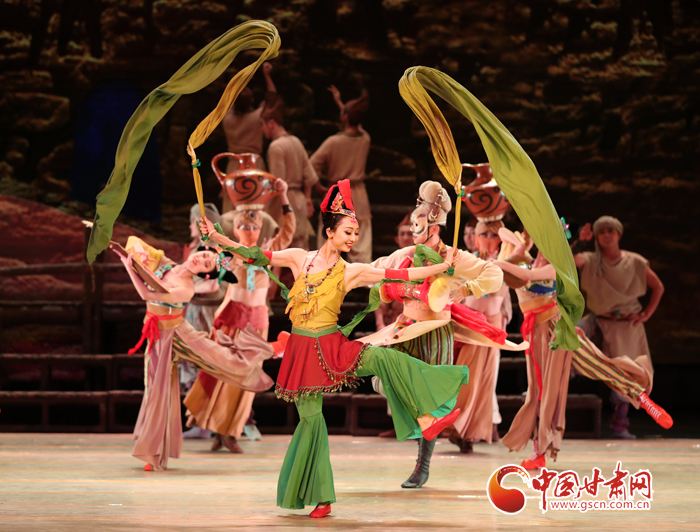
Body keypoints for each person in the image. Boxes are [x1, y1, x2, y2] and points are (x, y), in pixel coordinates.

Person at [199, 179, 468, 518]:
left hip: (332, 347)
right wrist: (218, 237)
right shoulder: (300, 258)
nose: (353, 238)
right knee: (311, 421)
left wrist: (442, 267)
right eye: (348, 232)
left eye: (356, 233)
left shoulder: (351, 270)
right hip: (302, 352)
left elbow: (399, 274)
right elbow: (256, 255)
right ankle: (320, 498)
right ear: (330, 231)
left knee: (384, 357)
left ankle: (427, 416)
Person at [363, 181, 507, 489]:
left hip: (436, 332)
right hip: (405, 329)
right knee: (381, 377)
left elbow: (494, 274)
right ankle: (424, 421)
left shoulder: (453, 258)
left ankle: (422, 464)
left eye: (419, 225)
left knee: (429, 397)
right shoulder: (405, 254)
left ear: (435, 227)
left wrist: (466, 288)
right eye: (413, 225)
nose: (414, 231)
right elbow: (373, 271)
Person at [498, 234, 671, 470]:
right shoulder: (524, 261)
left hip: (557, 329)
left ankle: (641, 396)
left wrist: (498, 262)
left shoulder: (554, 267)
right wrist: (521, 241)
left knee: (595, 363)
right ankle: (539, 453)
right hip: (535, 335)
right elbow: (505, 238)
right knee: (538, 394)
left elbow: (526, 276)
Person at [115, 237, 274, 471]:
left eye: (207, 264)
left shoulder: (186, 289)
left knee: (224, 360)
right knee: (154, 391)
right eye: (204, 255)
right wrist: (124, 253)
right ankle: (154, 451)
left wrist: (129, 268)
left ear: (205, 274)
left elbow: (148, 295)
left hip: (176, 335)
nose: (201, 259)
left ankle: (269, 350)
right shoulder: (169, 265)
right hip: (157, 335)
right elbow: (143, 251)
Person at [184, 179, 295, 453]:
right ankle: (217, 429)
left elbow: (289, 230)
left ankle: (230, 430)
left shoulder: (268, 251)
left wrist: (283, 196)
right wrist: (208, 235)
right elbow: (211, 256)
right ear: (235, 229)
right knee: (220, 373)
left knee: (246, 379)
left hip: (256, 322)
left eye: (254, 226)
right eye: (244, 227)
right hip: (231, 318)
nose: (250, 230)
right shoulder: (230, 252)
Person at [573, 216, 664, 439]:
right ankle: (544, 398)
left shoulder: (634, 261)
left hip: (626, 325)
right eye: (601, 232)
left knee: (628, 372)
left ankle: (620, 424)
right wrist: (579, 241)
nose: (606, 235)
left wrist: (645, 314)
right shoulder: (591, 260)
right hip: (598, 320)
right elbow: (568, 260)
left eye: (610, 231)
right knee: (566, 342)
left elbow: (658, 286)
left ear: (618, 235)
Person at [449, 219, 512, 453]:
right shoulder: (467, 261)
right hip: (471, 322)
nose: (488, 239)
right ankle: (456, 427)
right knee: (468, 377)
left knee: (487, 381)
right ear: (475, 237)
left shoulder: (507, 263)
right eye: (483, 234)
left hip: (494, 325)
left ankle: (471, 433)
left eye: (494, 235)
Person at [261, 64, 326, 249]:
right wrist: (307, 198)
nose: (262, 130)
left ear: (271, 123)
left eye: (263, 125)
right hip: (299, 201)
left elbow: (278, 183)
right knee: (301, 252)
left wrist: (262, 206)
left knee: (279, 252)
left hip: (284, 204)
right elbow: (310, 175)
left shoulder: (276, 147)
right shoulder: (295, 141)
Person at [311, 86, 372, 262]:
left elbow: (312, 163)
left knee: (330, 235)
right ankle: (364, 276)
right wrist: (342, 106)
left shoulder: (333, 142)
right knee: (361, 239)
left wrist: (318, 185)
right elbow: (356, 122)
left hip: (337, 194)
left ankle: (323, 271)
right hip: (358, 193)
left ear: (345, 117)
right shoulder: (365, 139)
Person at [219, 62, 276, 213]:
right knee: (255, 206)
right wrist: (267, 75)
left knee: (231, 208)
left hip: (233, 166)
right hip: (254, 166)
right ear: (252, 101)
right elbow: (272, 98)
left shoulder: (227, 120)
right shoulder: (257, 118)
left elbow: (225, 102)